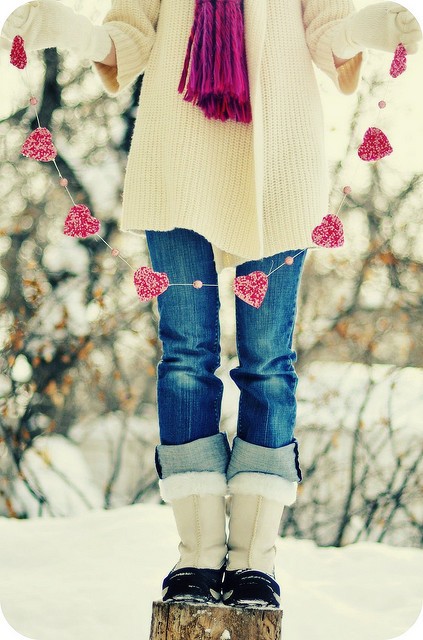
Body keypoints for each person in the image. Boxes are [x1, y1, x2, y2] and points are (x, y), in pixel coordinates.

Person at [2, 0, 421, 609]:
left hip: (279, 162)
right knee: (185, 357)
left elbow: (326, 33)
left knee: (268, 362)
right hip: (177, 157)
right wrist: (73, 32)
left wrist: (365, 28)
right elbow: (132, 36)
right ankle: (196, 555)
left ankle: (255, 560)